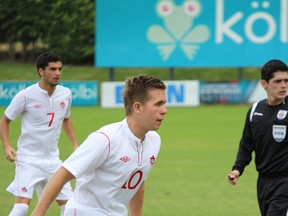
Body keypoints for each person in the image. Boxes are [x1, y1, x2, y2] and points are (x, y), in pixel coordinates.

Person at [31, 75, 167, 216]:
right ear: (138, 107)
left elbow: (138, 181)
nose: (164, 110)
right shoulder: (106, 139)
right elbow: (62, 174)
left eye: (164, 103)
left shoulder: (154, 141)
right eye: (158, 104)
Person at [0, 52, 79, 216]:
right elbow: (5, 120)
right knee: (22, 207)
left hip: (53, 161)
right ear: (41, 71)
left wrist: (75, 145)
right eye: (52, 69)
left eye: (59, 69)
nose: (57, 73)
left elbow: (66, 119)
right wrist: (6, 146)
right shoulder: (25, 95)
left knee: (70, 207)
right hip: (28, 159)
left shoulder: (66, 94)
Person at [227, 59, 288, 215]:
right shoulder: (255, 110)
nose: (283, 85)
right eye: (278, 81)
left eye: (286, 81)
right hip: (263, 182)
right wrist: (237, 169)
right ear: (264, 84)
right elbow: (247, 144)